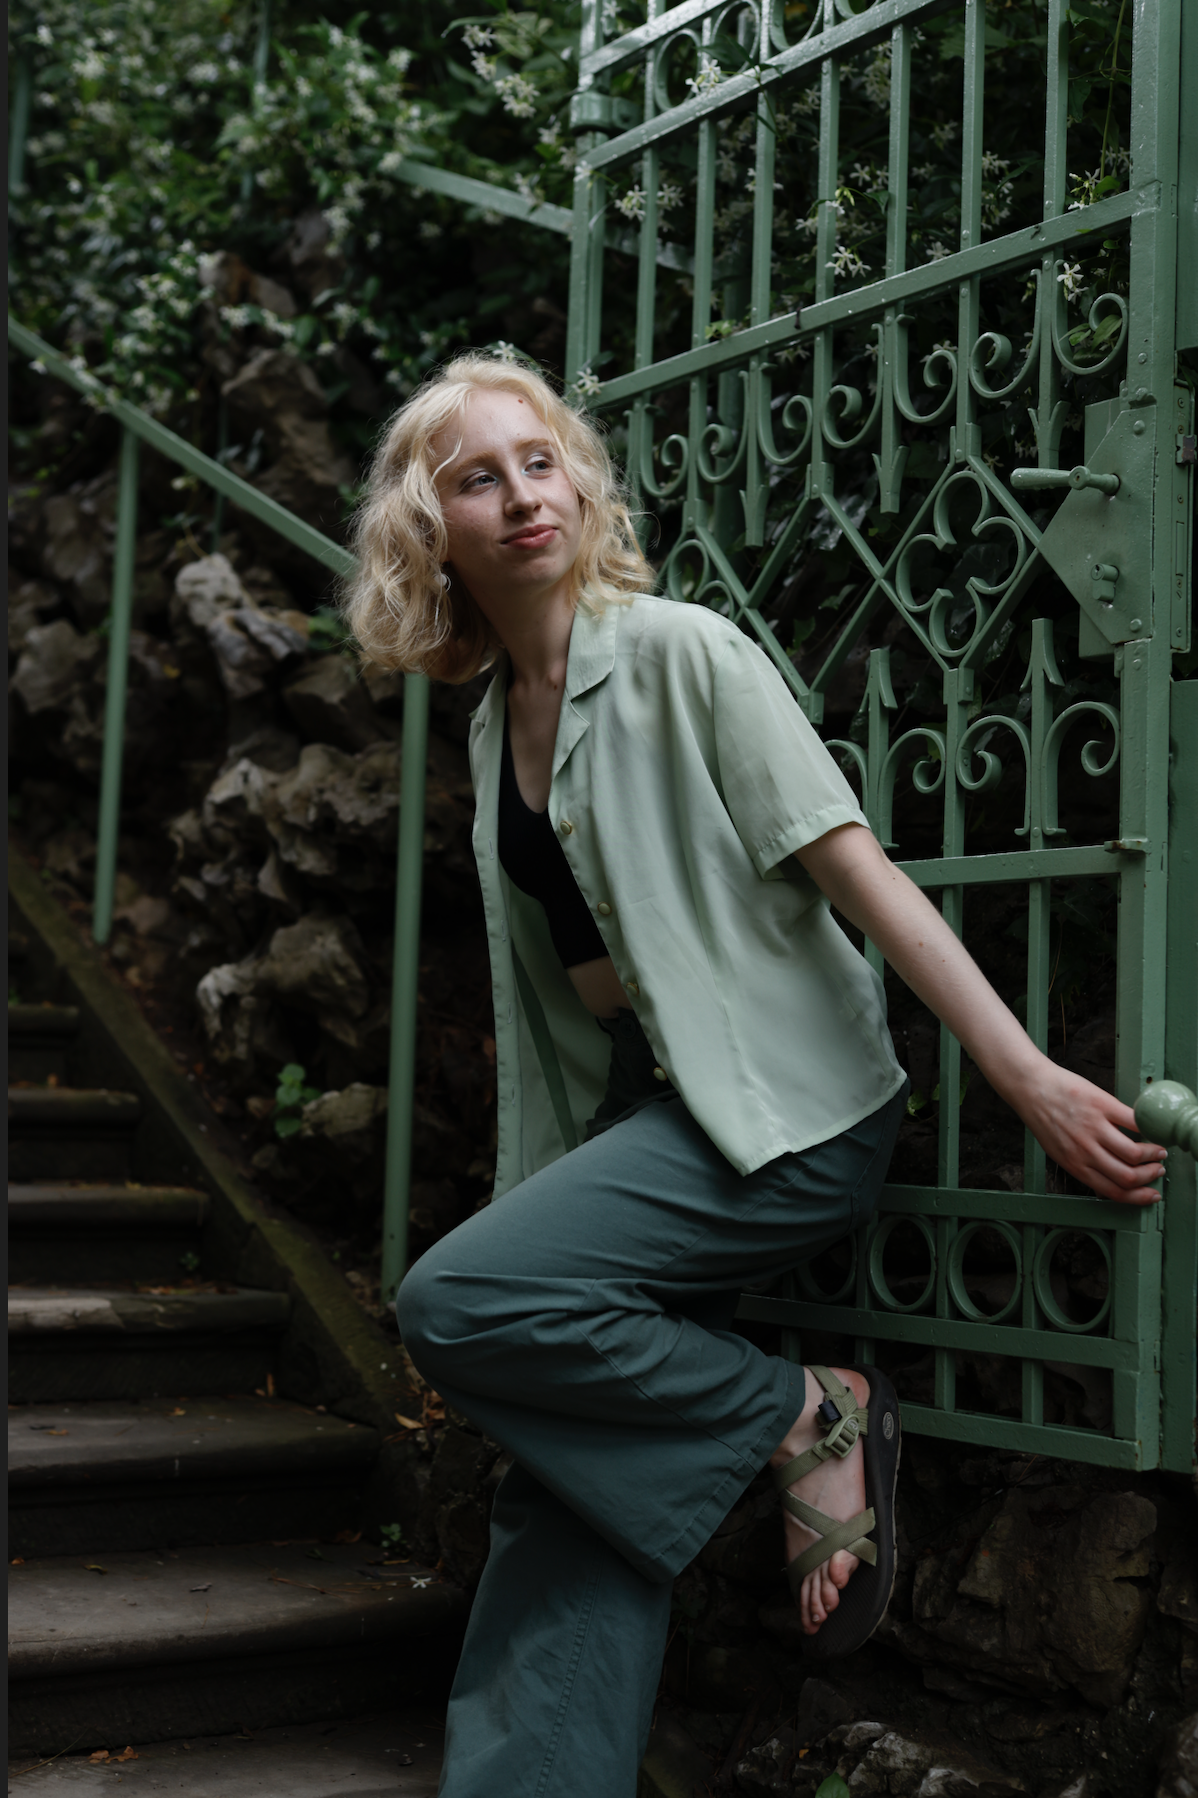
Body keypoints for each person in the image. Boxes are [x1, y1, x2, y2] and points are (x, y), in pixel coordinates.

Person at [345, 353, 1167, 1798]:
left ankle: (799, 1412)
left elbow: (858, 874)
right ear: (434, 529)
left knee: (456, 1300)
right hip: (644, 1119)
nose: (522, 493)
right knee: (571, 1469)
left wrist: (1022, 1072)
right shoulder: (491, 720)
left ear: (580, 481)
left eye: (539, 461)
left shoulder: (682, 651)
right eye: (478, 477)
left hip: (779, 1117)